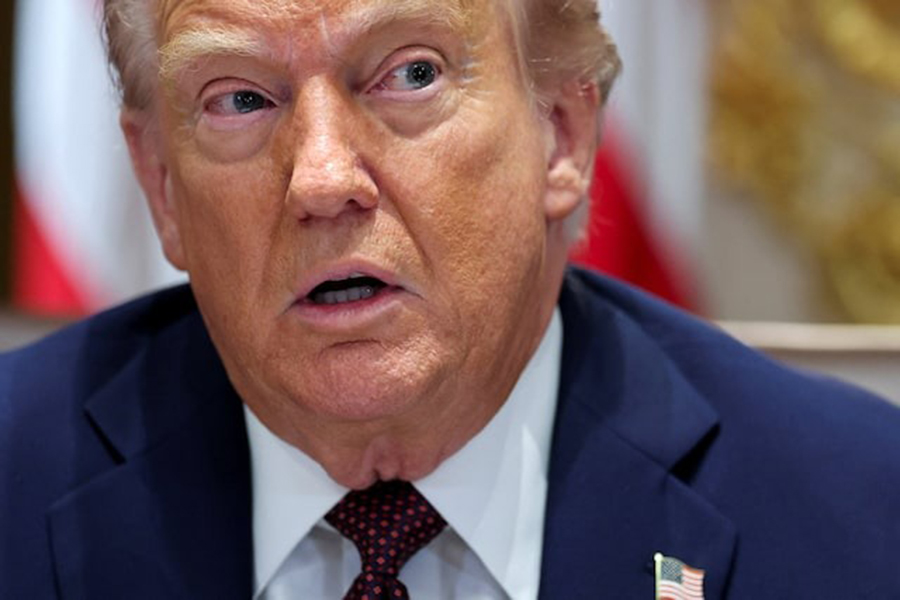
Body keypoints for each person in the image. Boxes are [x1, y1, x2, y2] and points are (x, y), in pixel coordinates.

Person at [2, 0, 899, 598]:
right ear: (161, 186)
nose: (320, 178)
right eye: (239, 98)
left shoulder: (860, 515)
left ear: (562, 134)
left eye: (411, 74)